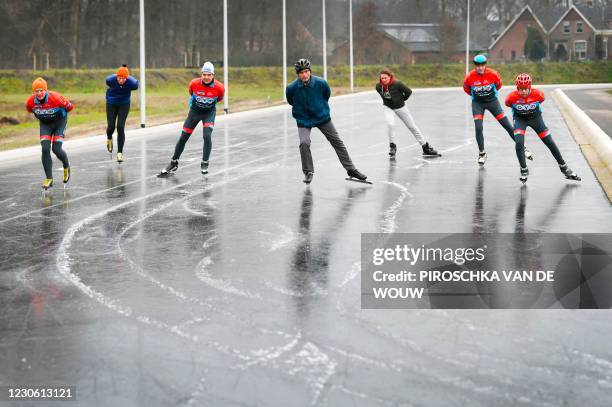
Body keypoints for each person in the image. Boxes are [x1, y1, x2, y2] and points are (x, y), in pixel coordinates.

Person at [285, 58, 367, 184]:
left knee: (337, 141)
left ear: (310, 71)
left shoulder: (321, 83)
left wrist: (319, 107)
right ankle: (308, 172)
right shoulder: (291, 88)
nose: (304, 74)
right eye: (301, 73)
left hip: (321, 117)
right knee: (304, 143)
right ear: (298, 74)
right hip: (303, 119)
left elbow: (326, 95)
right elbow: (291, 101)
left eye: (306, 71)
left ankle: (351, 169)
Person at [505, 73, 580, 183]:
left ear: (530, 87)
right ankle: (524, 169)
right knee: (519, 143)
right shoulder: (511, 97)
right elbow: (508, 104)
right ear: (517, 88)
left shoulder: (538, 95)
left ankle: (564, 167)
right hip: (520, 120)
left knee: (549, 142)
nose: (523, 92)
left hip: (536, 119)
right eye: (521, 89)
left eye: (526, 89)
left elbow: (541, 100)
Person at [463, 54, 533, 166]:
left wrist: (488, 95)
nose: (480, 68)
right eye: (478, 66)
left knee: (507, 125)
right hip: (478, 104)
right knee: (478, 127)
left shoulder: (493, 74)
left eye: (482, 65)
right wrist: (478, 97)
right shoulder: (469, 77)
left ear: (485, 65)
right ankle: (482, 153)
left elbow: (498, 85)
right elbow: (466, 89)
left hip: (492, 102)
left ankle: (523, 148)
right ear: (475, 65)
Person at [159, 62, 224, 176]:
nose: (206, 77)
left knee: (207, 136)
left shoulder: (219, 87)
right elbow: (191, 93)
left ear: (213, 75)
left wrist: (207, 105)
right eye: (204, 74)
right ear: (201, 74)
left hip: (209, 113)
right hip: (195, 112)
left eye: (209, 75)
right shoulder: (194, 84)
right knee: (184, 136)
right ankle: (174, 162)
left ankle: (205, 162)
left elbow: (219, 98)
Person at [375, 68, 440, 158]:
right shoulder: (378, 87)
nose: (383, 80)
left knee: (412, 126)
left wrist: (401, 100)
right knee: (390, 124)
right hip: (388, 107)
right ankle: (392, 146)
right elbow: (384, 97)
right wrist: (390, 103)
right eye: (382, 78)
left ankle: (425, 147)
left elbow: (409, 92)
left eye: (385, 78)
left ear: (390, 77)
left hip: (400, 107)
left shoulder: (398, 84)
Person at [25, 77, 74, 190]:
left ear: (46, 90)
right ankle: (49, 178)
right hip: (45, 124)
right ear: (34, 92)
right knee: (45, 148)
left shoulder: (55, 97)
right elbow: (29, 109)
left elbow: (70, 107)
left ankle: (66, 166)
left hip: (59, 123)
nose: (39, 93)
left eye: (42, 90)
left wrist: (58, 113)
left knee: (56, 149)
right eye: (37, 91)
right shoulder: (30, 102)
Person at [105, 64, 139, 162]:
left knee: (120, 126)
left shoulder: (132, 83)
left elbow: (137, 85)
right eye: (119, 78)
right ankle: (109, 138)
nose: (120, 80)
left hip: (124, 104)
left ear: (126, 78)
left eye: (123, 78)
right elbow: (108, 81)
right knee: (111, 127)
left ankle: (120, 153)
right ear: (116, 77)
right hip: (111, 103)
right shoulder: (110, 80)